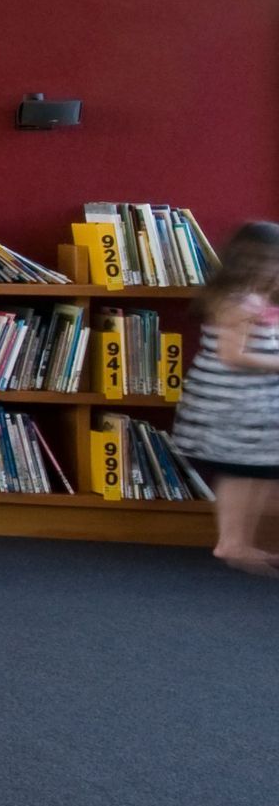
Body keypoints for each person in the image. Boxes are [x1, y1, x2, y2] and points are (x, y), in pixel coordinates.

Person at [171, 219, 279, 575]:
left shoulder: (257, 298)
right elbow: (232, 356)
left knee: (261, 472)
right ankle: (232, 542)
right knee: (242, 473)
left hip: (257, 408)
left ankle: (243, 541)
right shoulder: (235, 303)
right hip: (233, 406)